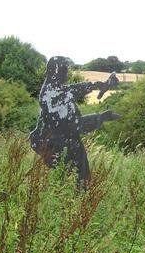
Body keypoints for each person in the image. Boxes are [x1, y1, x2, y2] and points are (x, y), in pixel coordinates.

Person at [30, 56, 120, 185]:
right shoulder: (49, 97)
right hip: (59, 149)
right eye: (65, 70)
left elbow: (71, 90)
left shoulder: (57, 91)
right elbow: (72, 126)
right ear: (56, 72)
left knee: (78, 186)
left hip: (68, 146)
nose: (67, 74)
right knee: (71, 186)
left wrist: (97, 85)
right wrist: (101, 118)